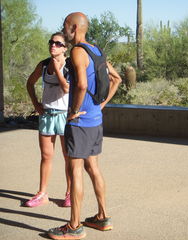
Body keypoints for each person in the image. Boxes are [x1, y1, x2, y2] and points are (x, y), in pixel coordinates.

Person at [48, 12, 122, 240]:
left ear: (73, 27)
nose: (63, 29)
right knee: (94, 168)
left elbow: (80, 84)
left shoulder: (79, 51)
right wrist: (101, 105)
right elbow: (117, 78)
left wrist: (73, 111)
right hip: (95, 120)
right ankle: (103, 217)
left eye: (65, 26)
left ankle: (73, 227)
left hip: (79, 122)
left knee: (76, 170)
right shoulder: (96, 50)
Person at [26, 32, 72, 207]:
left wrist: (58, 69)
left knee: (68, 156)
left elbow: (67, 88)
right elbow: (30, 83)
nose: (53, 45)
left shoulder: (69, 66)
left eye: (58, 43)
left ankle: (69, 193)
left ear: (65, 48)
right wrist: (36, 103)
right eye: (51, 42)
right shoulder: (44, 65)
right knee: (46, 156)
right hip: (47, 114)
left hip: (64, 116)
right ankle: (42, 193)